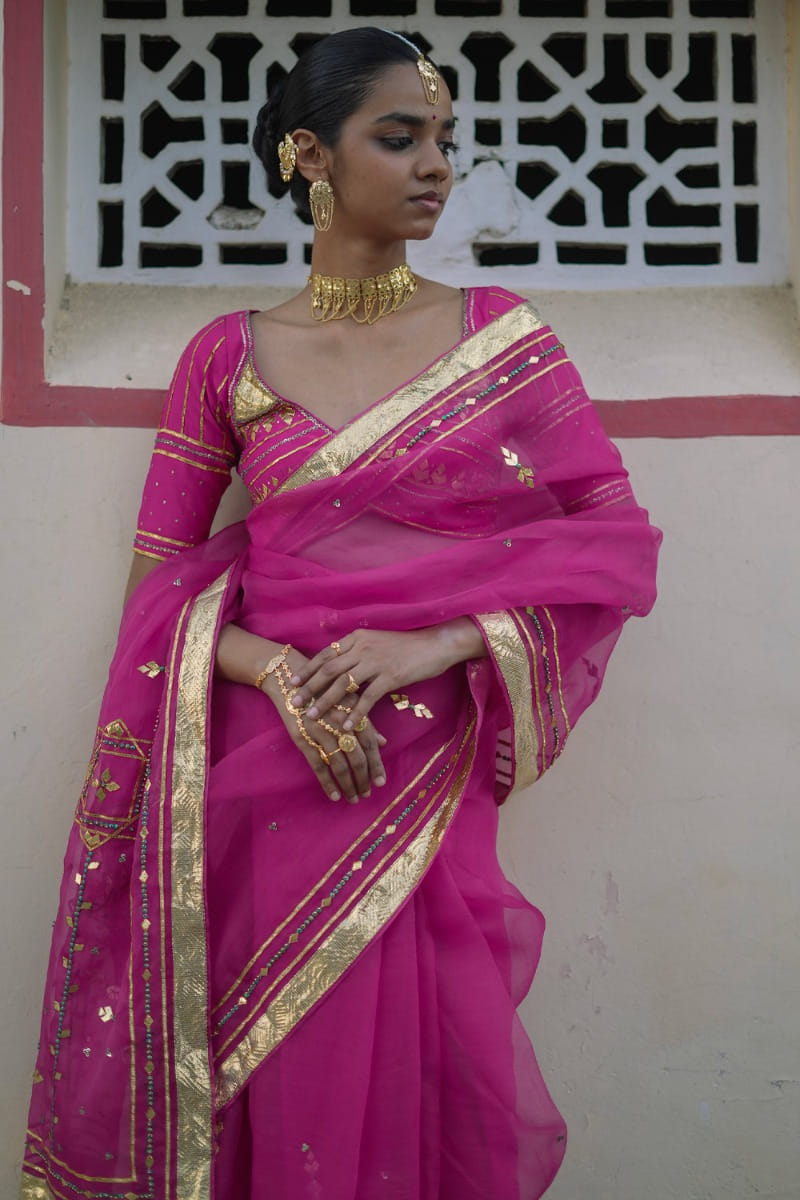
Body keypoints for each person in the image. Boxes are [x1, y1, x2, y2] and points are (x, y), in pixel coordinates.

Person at [19, 27, 661, 1200]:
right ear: (309, 155)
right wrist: (276, 675)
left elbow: (610, 544)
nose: (435, 165)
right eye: (399, 137)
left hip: (416, 765)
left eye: (443, 140)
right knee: (262, 1078)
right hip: (262, 772)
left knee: (418, 1059)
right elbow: (157, 594)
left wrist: (434, 644)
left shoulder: (501, 342)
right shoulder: (227, 357)